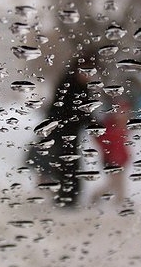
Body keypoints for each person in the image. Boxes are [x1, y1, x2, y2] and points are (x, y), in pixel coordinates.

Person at [26, 53, 97, 208]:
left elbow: (85, 111)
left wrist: (92, 122)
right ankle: (66, 198)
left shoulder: (80, 86)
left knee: (68, 165)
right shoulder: (69, 84)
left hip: (69, 134)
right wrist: (88, 120)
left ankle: (68, 197)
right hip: (60, 134)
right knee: (66, 165)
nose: (89, 76)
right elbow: (66, 111)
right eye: (86, 72)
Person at [91, 97, 132, 204]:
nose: (124, 117)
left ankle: (120, 201)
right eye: (122, 114)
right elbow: (103, 143)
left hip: (121, 159)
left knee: (119, 182)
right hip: (111, 160)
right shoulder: (109, 128)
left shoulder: (122, 128)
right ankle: (98, 195)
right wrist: (110, 157)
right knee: (114, 183)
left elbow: (123, 145)